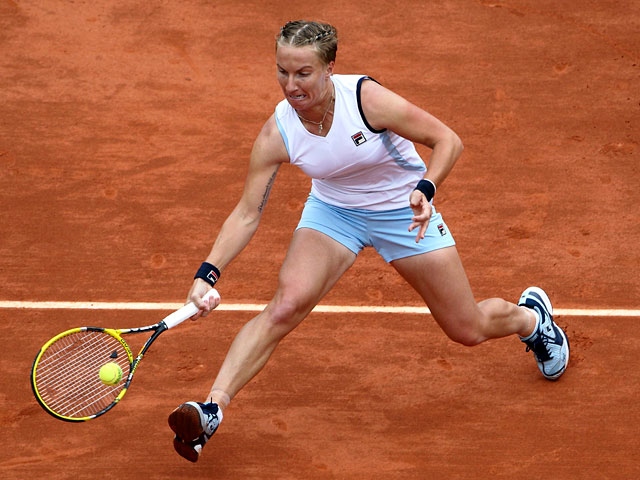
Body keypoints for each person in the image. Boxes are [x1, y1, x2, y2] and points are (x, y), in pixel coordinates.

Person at [168, 20, 569, 463]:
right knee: (285, 305)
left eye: (303, 73)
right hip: (334, 212)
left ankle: (531, 320)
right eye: (282, 71)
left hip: (402, 212)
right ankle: (212, 408)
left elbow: (447, 140)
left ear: (329, 68)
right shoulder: (278, 132)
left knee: (466, 329)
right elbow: (247, 213)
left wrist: (426, 189)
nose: (290, 85)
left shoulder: (365, 100)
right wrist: (207, 273)